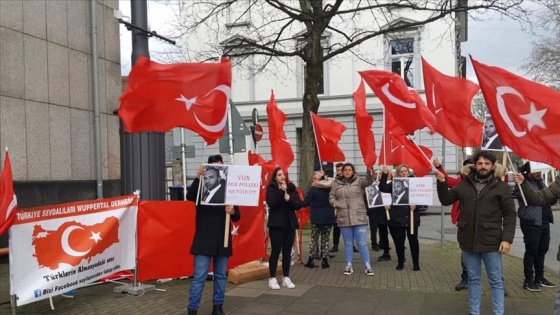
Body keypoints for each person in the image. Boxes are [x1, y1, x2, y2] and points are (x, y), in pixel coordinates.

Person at [436, 151, 516, 315]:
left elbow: (510, 214)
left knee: (495, 281)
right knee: (473, 279)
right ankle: (474, 312)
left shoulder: (501, 187)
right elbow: (446, 200)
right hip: (468, 240)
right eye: (480, 163)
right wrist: (442, 182)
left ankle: (498, 312)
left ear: (492, 166)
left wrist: (507, 239)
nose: (483, 167)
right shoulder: (464, 184)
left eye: (487, 164)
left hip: (492, 242)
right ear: (475, 165)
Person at [186, 154, 240, 315]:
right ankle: (192, 309)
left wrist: (233, 210)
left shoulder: (229, 192)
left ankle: (218, 307)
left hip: (222, 240)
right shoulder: (201, 188)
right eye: (214, 168)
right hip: (204, 240)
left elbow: (237, 216)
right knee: (199, 277)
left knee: (221, 276)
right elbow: (190, 197)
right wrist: (198, 178)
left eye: (220, 168)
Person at [514, 170, 560, 313]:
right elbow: (537, 198)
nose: (539, 173)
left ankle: (540, 277)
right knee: (532, 251)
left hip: (544, 221)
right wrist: (523, 183)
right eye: (536, 170)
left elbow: (551, 200)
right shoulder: (525, 184)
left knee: (542, 250)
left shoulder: (542, 182)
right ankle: (529, 280)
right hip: (532, 222)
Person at [433, 157, 473, 291]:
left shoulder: (487, 183)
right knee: (465, 255)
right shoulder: (460, 183)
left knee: (490, 258)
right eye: (466, 168)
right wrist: (439, 168)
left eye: (471, 168)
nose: (469, 171)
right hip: (465, 226)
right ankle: (465, 279)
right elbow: (447, 181)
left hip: (484, 228)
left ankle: (497, 282)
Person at [328, 163, 375, 276]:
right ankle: (349, 265)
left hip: (359, 217)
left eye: (350, 170)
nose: (347, 172)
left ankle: (367, 266)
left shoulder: (359, 181)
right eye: (345, 170)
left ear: (353, 171)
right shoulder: (336, 183)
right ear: (342, 172)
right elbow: (331, 196)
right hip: (344, 217)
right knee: (348, 243)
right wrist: (336, 204)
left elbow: (369, 181)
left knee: (362, 243)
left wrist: (369, 169)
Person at [266, 167, 304, 289]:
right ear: (275, 177)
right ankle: (272, 278)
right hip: (276, 225)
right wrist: (281, 192)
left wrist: (289, 199)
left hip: (289, 224)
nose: (282, 177)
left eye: (284, 175)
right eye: (279, 175)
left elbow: (298, 204)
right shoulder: (272, 189)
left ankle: (286, 277)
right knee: (276, 251)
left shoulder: (292, 188)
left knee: (287, 252)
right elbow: (272, 203)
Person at [379, 164, 422, 271]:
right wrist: (384, 174)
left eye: (405, 171)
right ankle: (400, 262)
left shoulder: (416, 183)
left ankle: (416, 263)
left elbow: (423, 197)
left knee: (413, 242)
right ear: (398, 174)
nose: (403, 173)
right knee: (399, 242)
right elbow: (383, 188)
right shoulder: (394, 184)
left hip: (412, 218)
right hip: (397, 218)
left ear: (408, 172)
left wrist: (416, 206)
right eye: (401, 172)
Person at [303, 171, 336, 269]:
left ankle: (311, 260)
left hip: (317, 217)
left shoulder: (313, 189)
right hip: (329, 216)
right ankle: (325, 261)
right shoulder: (330, 188)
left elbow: (306, 202)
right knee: (325, 239)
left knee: (314, 239)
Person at [330, 162, 344, 253]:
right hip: (338, 207)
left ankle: (352, 244)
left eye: (341, 170)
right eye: (338, 170)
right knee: (336, 227)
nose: (340, 172)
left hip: (347, 207)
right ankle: (335, 245)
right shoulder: (335, 181)